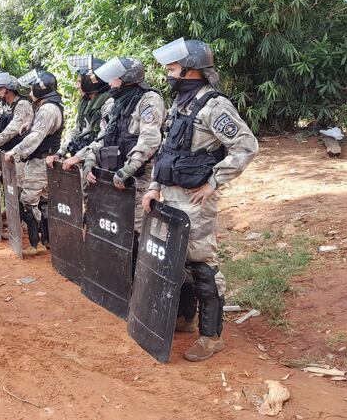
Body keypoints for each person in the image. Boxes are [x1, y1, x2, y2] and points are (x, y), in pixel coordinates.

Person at [142, 38, 259, 362]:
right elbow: (167, 153)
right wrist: (153, 187)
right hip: (172, 196)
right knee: (177, 263)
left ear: (191, 70)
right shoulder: (181, 103)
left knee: (202, 265)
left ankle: (211, 337)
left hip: (196, 201)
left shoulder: (213, 105)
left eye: (173, 67)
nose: (167, 73)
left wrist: (213, 181)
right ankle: (184, 318)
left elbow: (246, 146)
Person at [61, 57, 165, 235]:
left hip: (137, 177)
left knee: (136, 227)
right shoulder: (116, 102)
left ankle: (136, 262)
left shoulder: (149, 100)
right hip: (114, 172)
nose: (109, 83)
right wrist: (89, 160)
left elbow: (149, 140)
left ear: (126, 78)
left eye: (113, 78)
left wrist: (128, 169)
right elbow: (103, 137)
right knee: (115, 223)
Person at [3, 70, 64, 256]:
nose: (29, 94)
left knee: (28, 202)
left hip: (39, 162)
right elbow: (40, 130)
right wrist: (29, 126)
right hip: (43, 160)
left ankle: (34, 244)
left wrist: (15, 152)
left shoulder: (47, 109)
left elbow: (37, 137)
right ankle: (47, 241)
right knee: (45, 201)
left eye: (32, 89)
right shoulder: (50, 107)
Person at [47, 55, 111, 169]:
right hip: (84, 159)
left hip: (100, 163)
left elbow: (104, 138)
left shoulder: (108, 103)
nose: (77, 86)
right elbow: (77, 131)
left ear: (92, 81)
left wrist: (78, 157)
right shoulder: (85, 103)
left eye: (80, 81)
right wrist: (59, 153)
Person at [0, 71, 34, 179]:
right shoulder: (4, 106)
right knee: (8, 189)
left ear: (10, 89)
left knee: (20, 188)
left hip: (20, 156)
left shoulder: (22, 105)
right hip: (6, 154)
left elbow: (13, 129)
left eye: (1, 89)